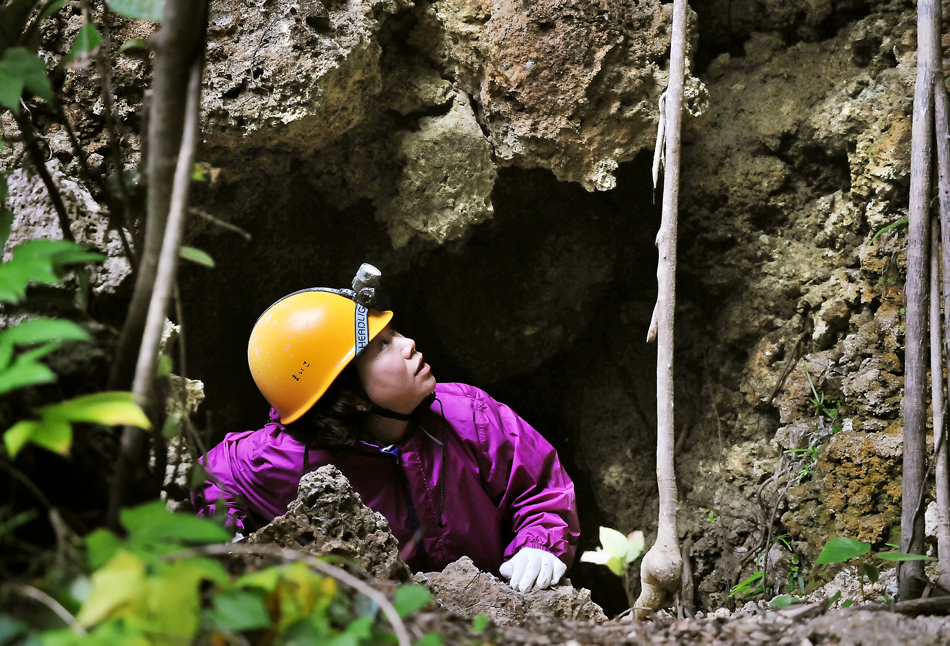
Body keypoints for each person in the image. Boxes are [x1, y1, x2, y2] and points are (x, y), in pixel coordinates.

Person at [194, 264, 579, 592]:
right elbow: (204, 481)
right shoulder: (289, 459)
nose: (409, 343)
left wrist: (540, 544)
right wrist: (226, 538)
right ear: (347, 398)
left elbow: (539, 487)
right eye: (380, 346)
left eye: (393, 333)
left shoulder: (468, 414)